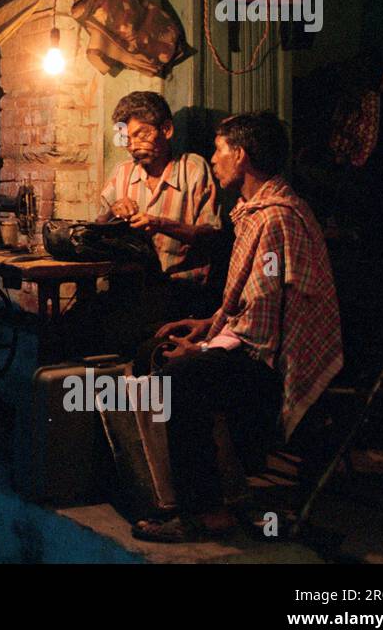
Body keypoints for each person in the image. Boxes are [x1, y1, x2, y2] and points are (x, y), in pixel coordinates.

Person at [132, 112, 343, 543]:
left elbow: (261, 329)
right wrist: (208, 324)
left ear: (241, 155)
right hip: (256, 347)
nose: (213, 159)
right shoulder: (255, 212)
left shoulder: (275, 217)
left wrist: (206, 350)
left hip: (275, 366)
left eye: (219, 149)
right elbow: (249, 303)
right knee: (152, 349)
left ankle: (206, 513)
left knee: (178, 380)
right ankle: (201, 492)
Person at [96, 92, 223, 319]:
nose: (133, 146)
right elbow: (97, 227)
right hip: (131, 289)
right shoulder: (123, 172)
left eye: (140, 135)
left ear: (166, 130)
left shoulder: (193, 169)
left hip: (182, 292)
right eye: (127, 138)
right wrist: (113, 211)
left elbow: (211, 236)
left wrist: (160, 224)